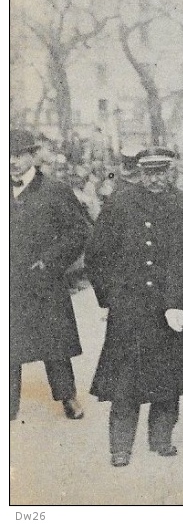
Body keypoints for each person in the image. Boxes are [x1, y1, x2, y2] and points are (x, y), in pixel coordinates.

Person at [85, 147, 183, 467]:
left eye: (162, 172)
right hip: (129, 308)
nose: (156, 179)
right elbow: (96, 255)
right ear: (139, 173)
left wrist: (178, 300)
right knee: (125, 382)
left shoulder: (181, 205)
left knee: (166, 377)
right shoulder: (120, 203)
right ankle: (120, 447)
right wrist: (110, 297)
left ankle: (161, 438)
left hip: (167, 308)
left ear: (171, 172)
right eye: (149, 173)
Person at [10, 129, 90, 422]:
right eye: (7, 156)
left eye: (19, 155)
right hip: (10, 283)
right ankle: (8, 404)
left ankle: (68, 396)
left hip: (44, 281)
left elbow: (79, 231)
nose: (12, 162)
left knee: (55, 343)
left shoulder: (54, 190)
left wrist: (50, 262)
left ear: (32, 155)